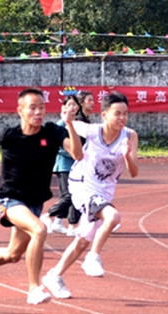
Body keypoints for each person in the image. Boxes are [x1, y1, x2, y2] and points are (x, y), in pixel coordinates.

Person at [0, 87, 80, 305]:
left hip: (35, 202)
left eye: (42, 107)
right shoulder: (9, 135)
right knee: (39, 230)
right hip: (10, 200)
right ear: (20, 110)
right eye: (33, 108)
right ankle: (33, 289)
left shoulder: (52, 132)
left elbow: (78, 154)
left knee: (12, 255)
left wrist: (69, 124)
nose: (38, 112)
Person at [42, 92, 139, 299]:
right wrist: (67, 119)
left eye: (125, 114)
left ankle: (55, 275)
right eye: (117, 114)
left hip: (104, 192)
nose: (122, 118)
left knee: (82, 240)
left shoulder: (129, 136)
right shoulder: (93, 131)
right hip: (82, 185)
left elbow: (134, 172)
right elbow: (71, 125)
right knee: (113, 217)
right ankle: (93, 258)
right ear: (104, 115)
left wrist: (126, 155)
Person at [43, 91, 92, 236]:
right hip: (64, 165)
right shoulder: (60, 125)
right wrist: (73, 153)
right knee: (69, 195)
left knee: (75, 195)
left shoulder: (78, 123)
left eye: (74, 105)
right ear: (63, 107)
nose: (72, 107)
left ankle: (62, 223)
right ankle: (48, 216)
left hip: (76, 165)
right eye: (69, 104)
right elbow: (57, 147)